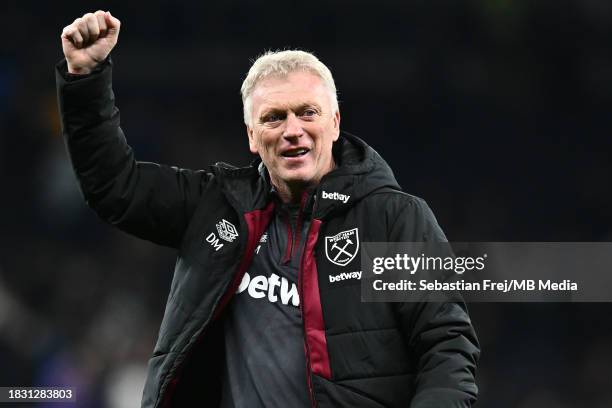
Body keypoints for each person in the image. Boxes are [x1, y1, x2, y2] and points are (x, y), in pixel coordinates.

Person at [57, 10, 480, 408]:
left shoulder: (392, 219)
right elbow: (115, 186)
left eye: (307, 113)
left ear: (334, 122)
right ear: (252, 137)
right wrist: (86, 77)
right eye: (274, 118)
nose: (293, 130)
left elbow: (445, 346)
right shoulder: (217, 207)